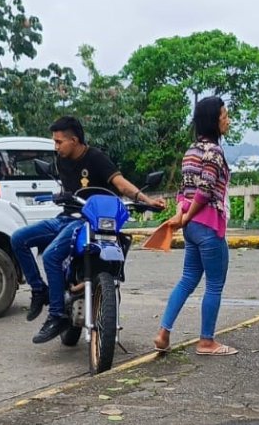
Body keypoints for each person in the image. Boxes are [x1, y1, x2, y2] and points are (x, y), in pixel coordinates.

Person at [30, 116, 165, 343]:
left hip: (97, 220)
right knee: (25, 241)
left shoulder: (96, 158)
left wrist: (146, 200)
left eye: (59, 142)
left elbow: (121, 184)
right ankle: (45, 297)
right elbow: (67, 188)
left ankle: (68, 306)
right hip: (69, 217)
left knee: (56, 253)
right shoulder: (60, 160)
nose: (56, 147)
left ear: (74, 140)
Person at [152, 97, 237, 356]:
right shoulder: (214, 152)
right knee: (214, 285)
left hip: (192, 229)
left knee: (188, 279)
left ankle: (163, 333)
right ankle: (206, 341)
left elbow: (183, 191)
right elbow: (205, 190)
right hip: (209, 225)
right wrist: (187, 217)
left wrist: (182, 216)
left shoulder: (191, 151)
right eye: (224, 115)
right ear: (214, 119)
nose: (227, 119)